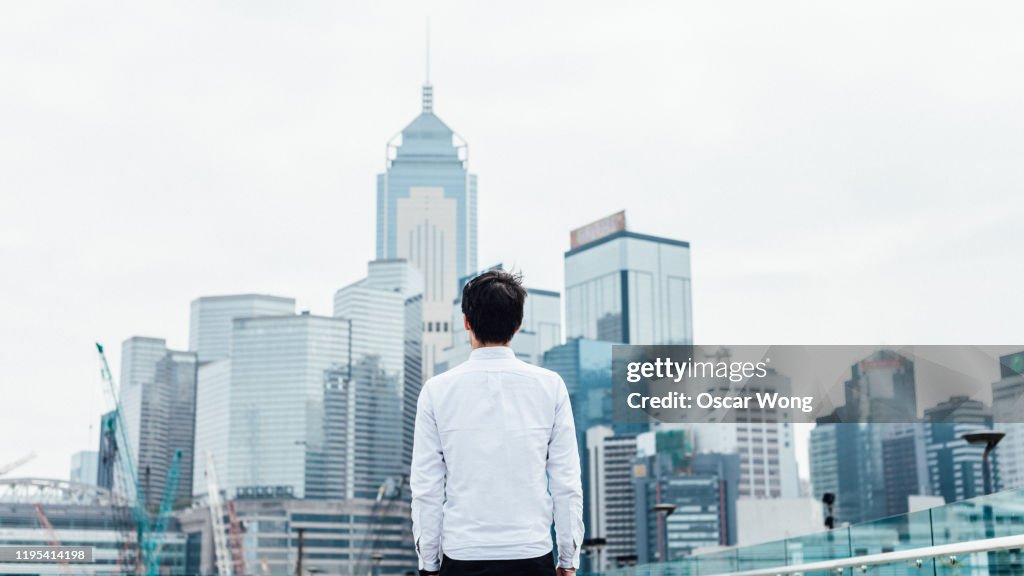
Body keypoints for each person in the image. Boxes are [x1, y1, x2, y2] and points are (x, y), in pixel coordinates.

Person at [410, 270, 584, 576]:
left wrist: (429, 563)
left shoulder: (436, 392)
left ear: (466, 321)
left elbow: (427, 489)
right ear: (518, 325)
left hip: (462, 555)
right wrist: (568, 560)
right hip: (531, 553)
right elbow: (566, 483)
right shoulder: (550, 386)